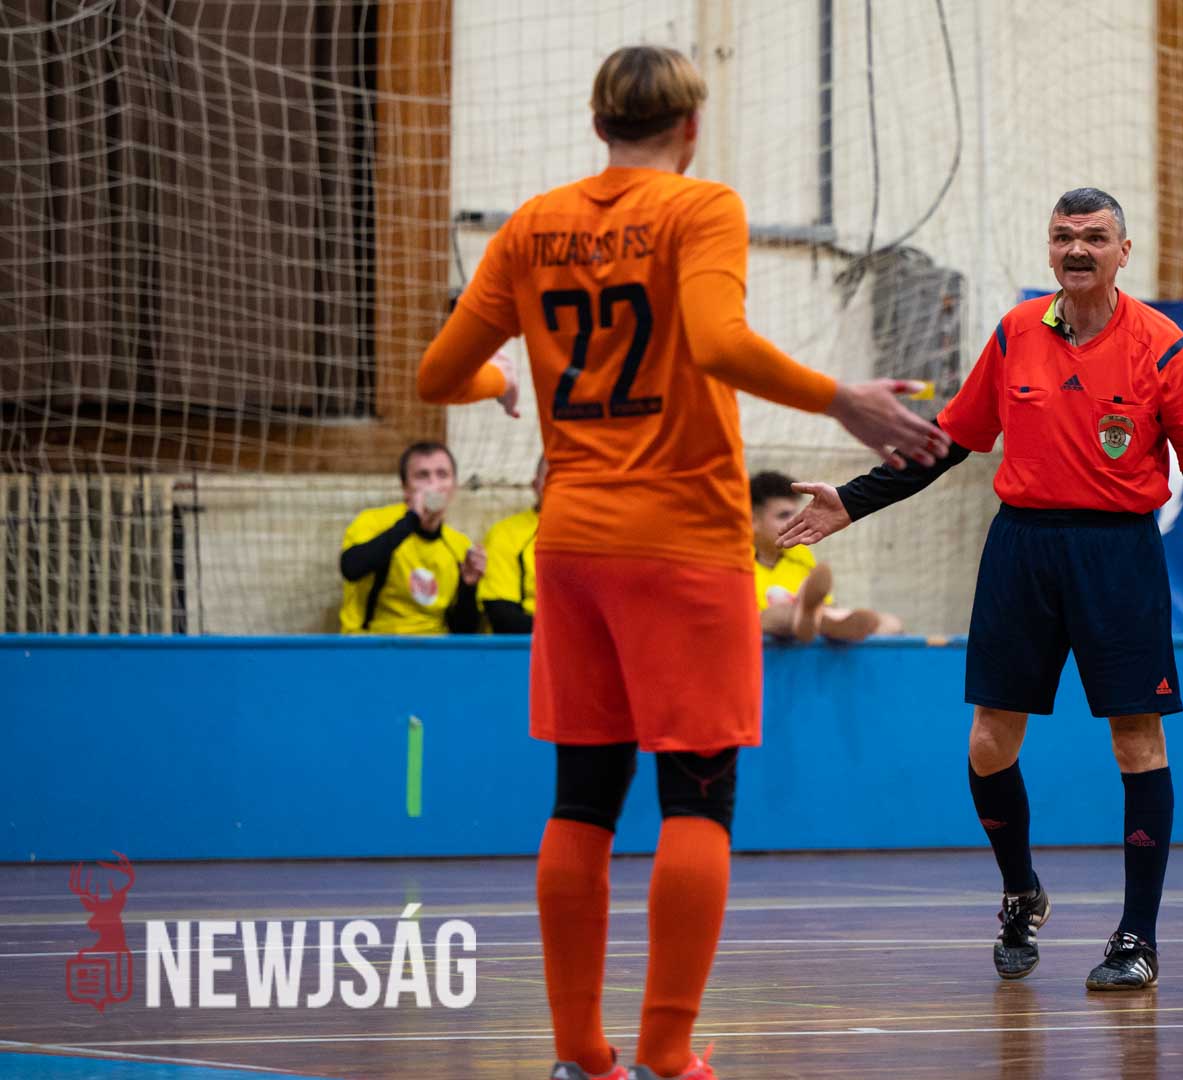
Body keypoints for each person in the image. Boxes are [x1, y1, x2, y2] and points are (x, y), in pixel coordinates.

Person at [413, 45, 947, 1080]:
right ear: (691, 128)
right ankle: (665, 1050)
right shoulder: (701, 207)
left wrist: (498, 384)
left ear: (596, 123)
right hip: (682, 546)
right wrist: (841, 399)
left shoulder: (531, 225)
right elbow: (715, 340)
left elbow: (438, 371)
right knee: (696, 801)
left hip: (573, 545)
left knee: (581, 800)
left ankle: (580, 1055)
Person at [779, 187, 1183, 993]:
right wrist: (850, 500)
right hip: (1021, 549)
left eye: (1093, 236)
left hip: (1117, 555)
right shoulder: (1016, 332)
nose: (1076, 249)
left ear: (1124, 251)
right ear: (1049, 249)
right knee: (989, 742)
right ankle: (1020, 891)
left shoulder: (1161, 347)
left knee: (1136, 741)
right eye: (1062, 236)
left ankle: (1136, 938)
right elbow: (949, 440)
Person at [338, 441, 486, 635]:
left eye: (442, 475)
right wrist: (412, 520)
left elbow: (464, 630)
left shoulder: (459, 545)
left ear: (453, 487)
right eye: (422, 476)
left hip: (432, 646)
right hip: (371, 642)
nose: (433, 485)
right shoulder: (373, 522)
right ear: (405, 487)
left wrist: (468, 587)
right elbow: (351, 568)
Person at [750, 470, 902, 642]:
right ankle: (823, 624)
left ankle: (820, 623)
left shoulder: (800, 554)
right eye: (784, 515)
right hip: (762, 632)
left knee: (890, 623)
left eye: (795, 514)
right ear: (753, 521)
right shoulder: (736, 560)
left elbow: (824, 605)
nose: (795, 521)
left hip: (808, 631)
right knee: (776, 616)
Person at [480, 456, 546, 635]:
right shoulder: (505, 534)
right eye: (552, 478)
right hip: (526, 646)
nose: (561, 488)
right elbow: (503, 617)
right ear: (535, 485)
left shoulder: (594, 537)